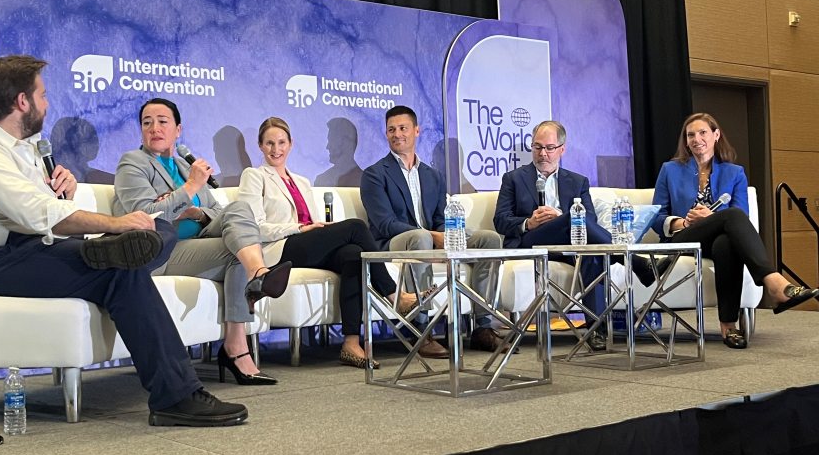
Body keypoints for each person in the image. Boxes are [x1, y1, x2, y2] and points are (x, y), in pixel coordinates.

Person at [0, 56, 246, 427]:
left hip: (34, 248)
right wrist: (117, 224)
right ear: (22, 102)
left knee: (134, 254)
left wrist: (66, 188)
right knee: (120, 267)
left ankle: (176, 392)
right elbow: (42, 215)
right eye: (42, 95)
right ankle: (177, 396)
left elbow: (46, 209)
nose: (47, 104)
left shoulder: (25, 149)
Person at [113, 98, 291, 385]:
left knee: (239, 212)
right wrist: (191, 187)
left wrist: (195, 212)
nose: (154, 128)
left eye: (162, 121)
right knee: (239, 250)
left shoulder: (185, 167)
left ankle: (255, 278)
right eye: (147, 122)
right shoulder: (132, 163)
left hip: (198, 242)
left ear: (178, 129)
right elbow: (144, 215)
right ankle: (238, 346)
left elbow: (219, 212)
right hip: (162, 251)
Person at [238, 117, 418, 369]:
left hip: (307, 244)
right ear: (260, 145)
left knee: (353, 253)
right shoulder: (254, 176)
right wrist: (299, 228)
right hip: (280, 249)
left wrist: (320, 230)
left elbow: (314, 222)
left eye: (281, 142)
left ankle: (351, 343)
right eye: (269, 143)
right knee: (356, 226)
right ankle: (393, 294)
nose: (276, 149)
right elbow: (253, 227)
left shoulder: (301, 181)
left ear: (290, 144)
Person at [494, 120, 665, 352]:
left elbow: (589, 220)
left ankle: (596, 331)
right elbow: (500, 219)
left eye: (549, 148)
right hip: (532, 242)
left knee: (591, 254)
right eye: (537, 147)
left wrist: (561, 217)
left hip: (570, 244)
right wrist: (528, 222)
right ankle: (637, 262)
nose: (542, 154)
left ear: (562, 149)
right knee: (573, 219)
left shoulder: (577, 181)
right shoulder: (514, 178)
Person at [652, 113, 819, 349]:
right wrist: (685, 223)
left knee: (726, 243)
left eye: (703, 133)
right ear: (686, 141)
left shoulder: (734, 172)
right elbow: (656, 218)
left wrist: (711, 218)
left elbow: (742, 217)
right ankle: (774, 283)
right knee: (731, 215)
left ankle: (728, 326)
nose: (696, 139)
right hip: (683, 239)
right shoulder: (670, 170)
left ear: (716, 135)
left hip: (715, 240)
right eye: (690, 135)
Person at [361, 106, 505, 357]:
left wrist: (446, 235)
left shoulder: (433, 176)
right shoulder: (374, 174)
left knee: (488, 239)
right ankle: (421, 330)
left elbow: (440, 219)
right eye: (391, 130)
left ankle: (483, 327)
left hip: (429, 238)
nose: (397, 134)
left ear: (416, 131)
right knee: (421, 237)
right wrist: (431, 236)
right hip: (391, 242)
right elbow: (385, 224)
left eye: (403, 128)